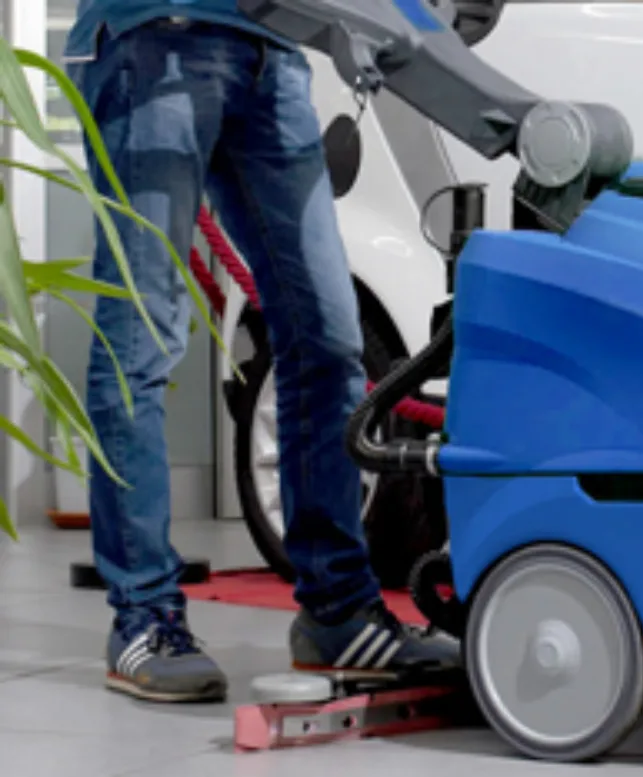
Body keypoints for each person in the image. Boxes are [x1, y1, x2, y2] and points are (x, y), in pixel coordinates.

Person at [64, 0, 459, 703]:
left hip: (273, 48)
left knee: (327, 339)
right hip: (154, 35)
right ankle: (143, 618)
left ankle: (338, 613)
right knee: (142, 338)